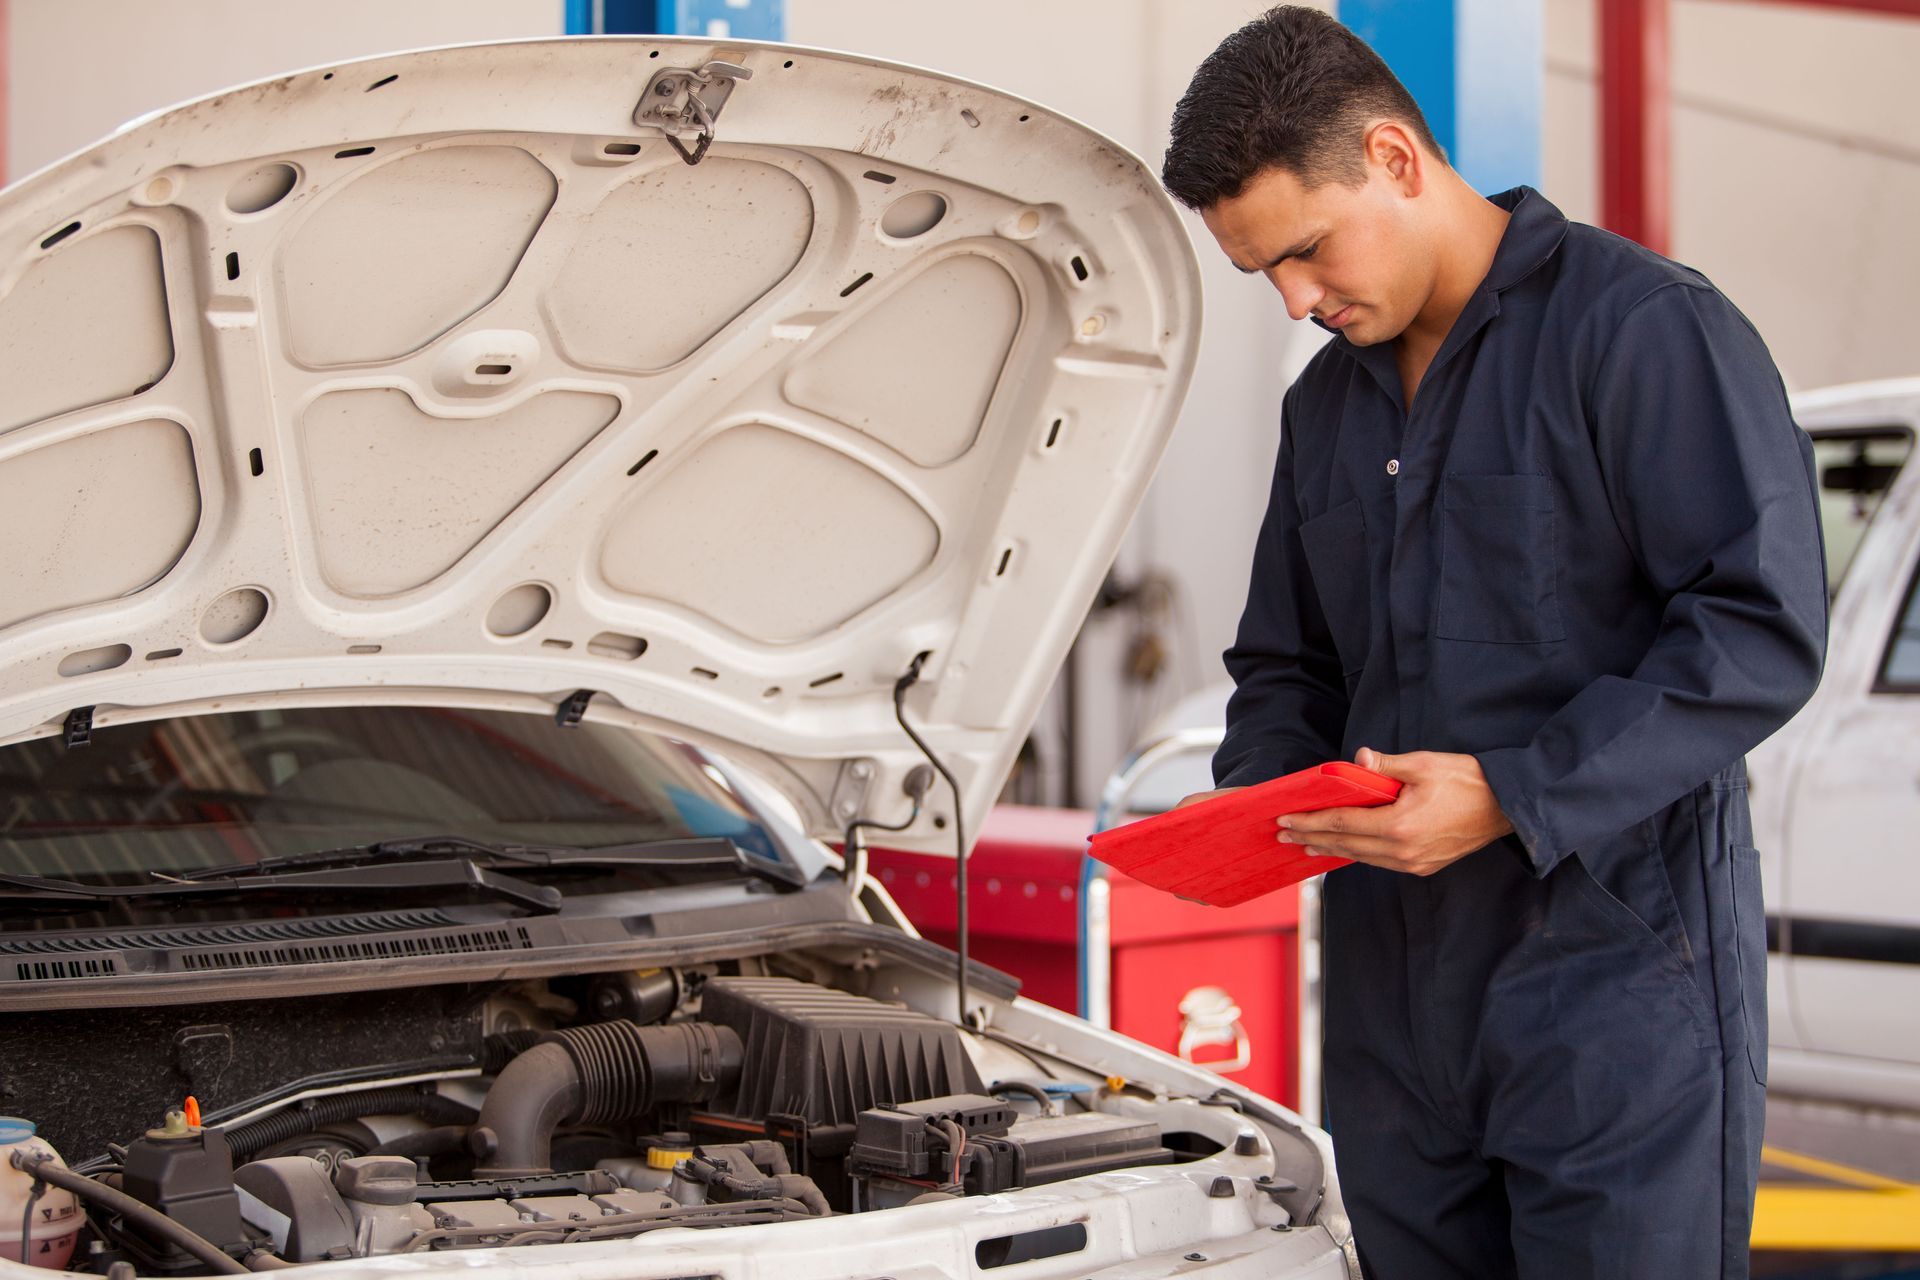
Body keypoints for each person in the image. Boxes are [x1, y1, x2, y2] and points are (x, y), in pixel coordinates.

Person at [1159, 9, 1828, 1279]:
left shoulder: (1643, 333)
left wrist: (1514, 793)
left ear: (1397, 160)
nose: (1297, 302)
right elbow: (1286, 663)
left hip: (1616, 986)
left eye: (1304, 252)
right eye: (1266, 279)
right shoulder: (1328, 407)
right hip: (1393, 1013)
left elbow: (1758, 624)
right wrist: (1258, 799)